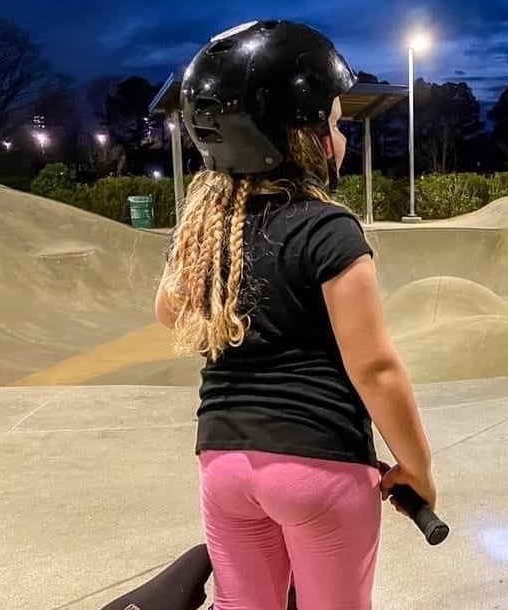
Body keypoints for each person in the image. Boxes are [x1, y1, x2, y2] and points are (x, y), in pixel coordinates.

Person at [153, 20, 436, 610]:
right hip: (319, 468)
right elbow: (375, 368)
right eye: (334, 123)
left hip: (224, 465)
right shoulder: (328, 229)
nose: (341, 136)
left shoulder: (210, 230)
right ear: (303, 136)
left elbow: (167, 310)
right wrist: (417, 467)